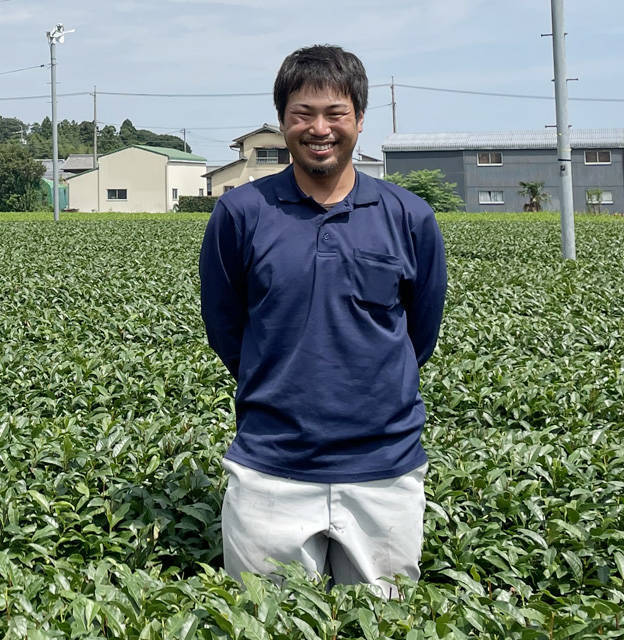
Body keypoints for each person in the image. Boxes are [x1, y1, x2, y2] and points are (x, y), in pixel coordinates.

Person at [199, 44, 447, 598]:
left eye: (335, 113)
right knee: (267, 623)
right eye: (302, 114)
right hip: (270, 467)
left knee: (384, 622)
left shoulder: (409, 217)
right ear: (283, 121)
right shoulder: (241, 214)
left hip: (384, 467)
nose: (319, 129)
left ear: (359, 119)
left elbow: (419, 334)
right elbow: (226, 326)